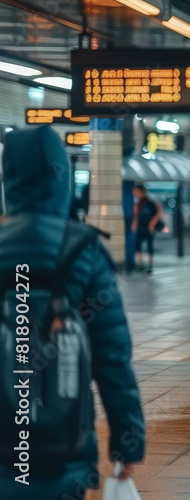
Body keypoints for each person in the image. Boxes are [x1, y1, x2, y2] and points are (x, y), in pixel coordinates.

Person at [0, 125, 145, 499]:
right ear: (59, 175)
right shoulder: (84, 249)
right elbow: (113, 358)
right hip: (65, 446)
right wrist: (127, 443)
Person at [131, 184, 161, 273]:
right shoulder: (138, 203)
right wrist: (134, 224)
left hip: (147, 227)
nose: (134, 192)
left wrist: (152, 224)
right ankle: (140, 264)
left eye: (135, 190)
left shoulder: (149, 203)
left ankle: (150, 265)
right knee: (138, 245)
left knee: (149, 246)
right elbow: (137, 216)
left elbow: (158, 213)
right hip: (141, 227)